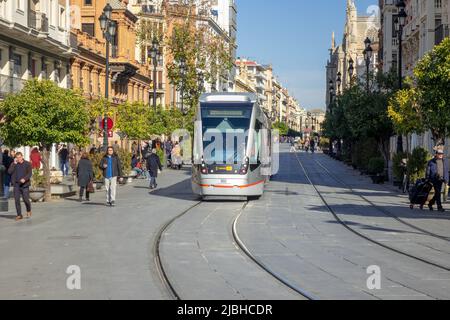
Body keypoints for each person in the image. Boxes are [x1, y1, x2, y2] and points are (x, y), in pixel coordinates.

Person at [8, 152, 32, 221]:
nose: (18, 159)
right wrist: (14, 164)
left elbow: (29, 173)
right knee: (17, 200)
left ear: (22, 156)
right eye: (17, 157)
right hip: (16, 185)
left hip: (24, 185)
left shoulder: (27, 164)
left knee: (26, 200)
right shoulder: (14, 164)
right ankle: (19, 215)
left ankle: (28, 209)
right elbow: (9, 172)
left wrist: (24, 179)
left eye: (19, 157)